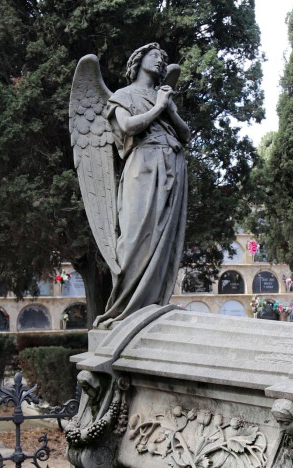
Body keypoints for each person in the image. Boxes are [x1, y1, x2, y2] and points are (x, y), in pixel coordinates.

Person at [94, 43, 190, 327]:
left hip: (172, 164)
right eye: (154, 55)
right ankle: (123, 310)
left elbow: (185, 134)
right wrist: (159, 108)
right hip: (142, 164)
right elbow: (127, 127)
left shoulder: (164, 94)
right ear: (138, 60)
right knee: (135, 236)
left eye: (163, 57)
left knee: (163, 237)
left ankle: (153, 303)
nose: (160, 60)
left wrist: (169, 109)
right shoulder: (123, 95)